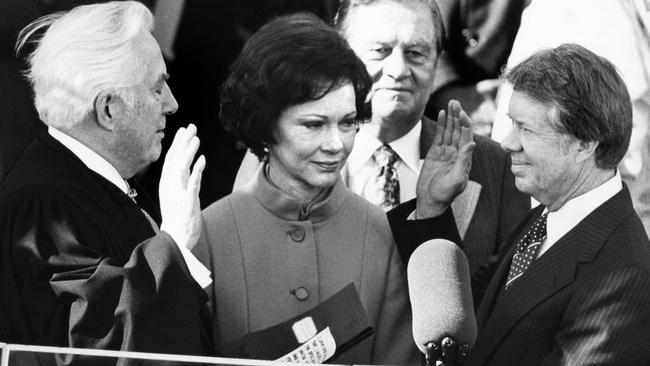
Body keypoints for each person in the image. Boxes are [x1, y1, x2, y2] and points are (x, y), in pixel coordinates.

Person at [234, 0, 529, 276]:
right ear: (341, 57)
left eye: (415, 53)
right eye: (380, 51)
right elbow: (246, 272)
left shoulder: (495, 167)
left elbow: (508, 296)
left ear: (437, 62)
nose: (398, 70)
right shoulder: (282, 153)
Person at [400, 43, 650, 365]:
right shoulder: (546, 217)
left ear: (585, 143)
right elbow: (465, 316)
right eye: (511, 123)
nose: (507, 143)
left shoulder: (625, 278)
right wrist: (431, 207)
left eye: (526, 129)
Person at [195, 13, 421, 365]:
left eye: (347, 123)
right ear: (265, 125)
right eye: (314, 125)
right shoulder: (208, 234)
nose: (336, 144)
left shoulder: (384, 234)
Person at [0, 1, 212, 358]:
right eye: (157, 88)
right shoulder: (43, 207)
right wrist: (173, 240)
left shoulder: (96, 181)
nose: (172, 104)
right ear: (108, 109)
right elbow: (91, 349)